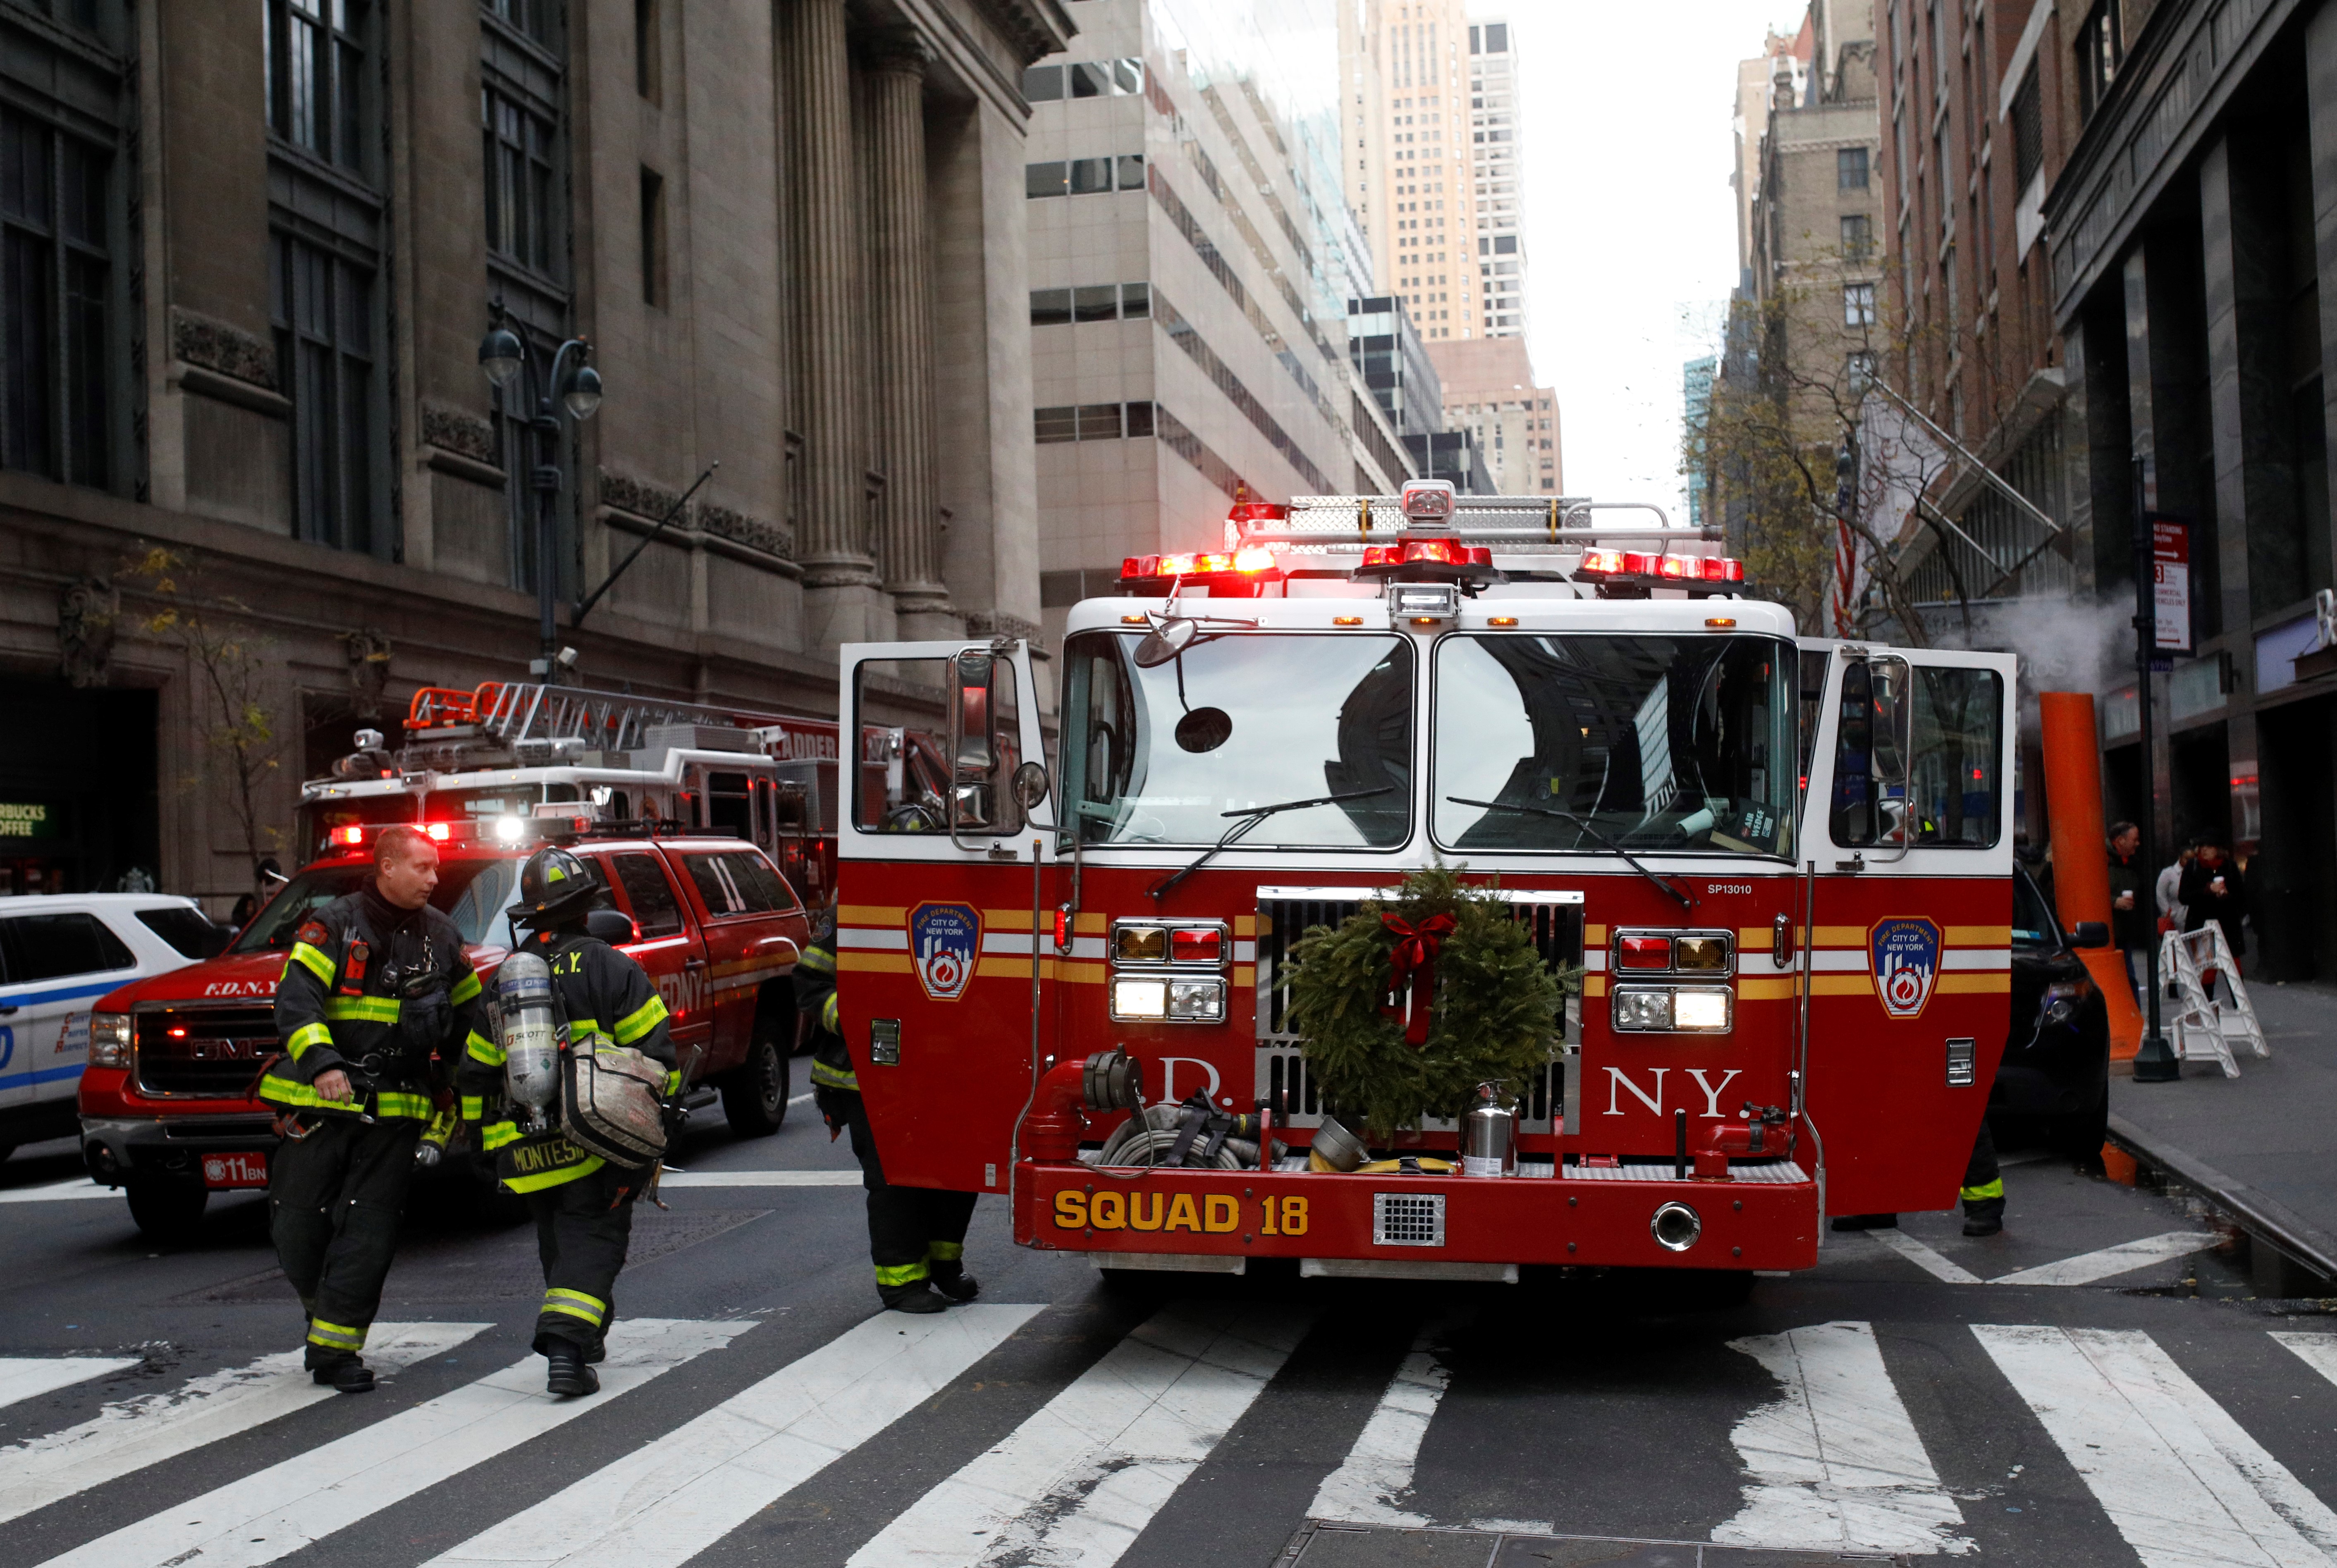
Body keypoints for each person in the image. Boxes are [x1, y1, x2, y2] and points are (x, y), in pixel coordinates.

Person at [263, 825, 485, 1394]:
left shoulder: (441, 935)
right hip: (321, 1103)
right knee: (297, 1223)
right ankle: (324, 1313)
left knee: (369, 1228)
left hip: (397, 1110)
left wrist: (463, 1090)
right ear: (387, 867)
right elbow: (296, 999)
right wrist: (323, 1062)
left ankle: (337, 1350)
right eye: (423, 868)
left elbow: (469, 1018)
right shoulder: (332, 925)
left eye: (436, 869)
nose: (434, 880)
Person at [460, 846, 676, 1397]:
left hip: (526, 1146)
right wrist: (654, 1126)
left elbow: (476, 1070)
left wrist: (482, 1144)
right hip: (594, 1140)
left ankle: (586, 1331)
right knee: (595, 1239)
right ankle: (567, 1350)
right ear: (587, 909)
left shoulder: (507, 980)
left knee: (560, 1240)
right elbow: (656, 1056)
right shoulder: (610, 965)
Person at [798, 915, 978, 1313]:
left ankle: (944, 1265)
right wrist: (854, 1020)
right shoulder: (855, 905)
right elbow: (810, 982)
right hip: (868, 1076)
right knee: (895, 1178)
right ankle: (902, 1283)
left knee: (959, 1172)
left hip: (949, 1072)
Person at [2106, 821, 2148, 997]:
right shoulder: (2102, 860)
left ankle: (2135, 1017)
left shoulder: (2134, 864)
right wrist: (2114, 902)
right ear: (2120, 841)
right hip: (2108, 933)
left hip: (2125, 931)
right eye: (2135, 839)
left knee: (2130, 978)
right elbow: (2089, 890)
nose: (2137, 844)